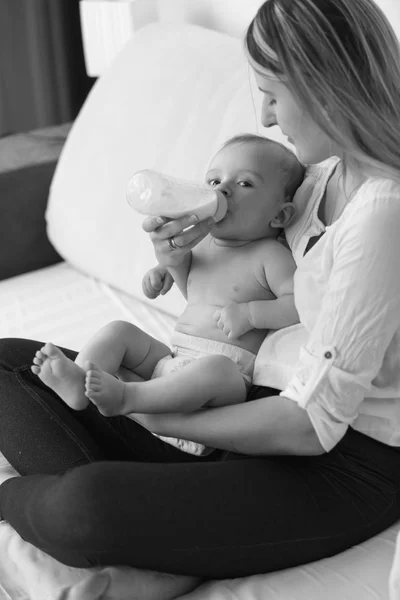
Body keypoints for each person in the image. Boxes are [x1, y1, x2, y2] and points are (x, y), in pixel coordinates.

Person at [0, 0, 399, 582]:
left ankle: (58, 505)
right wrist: (176, 252)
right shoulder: (317, 180)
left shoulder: (381, 215)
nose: (263, 117)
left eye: (271, 93)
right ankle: (176, 544)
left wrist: (147, 411)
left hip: (340, 460)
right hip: (243, 407)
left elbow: (312, 426)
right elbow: (233, 256)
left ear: (324, 87)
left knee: (82, 508)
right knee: (7, 362)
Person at [30, 133, 303, 457]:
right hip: (171, 359)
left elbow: (301, 304)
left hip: (226, 377)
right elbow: (186, 279)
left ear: (280, 215)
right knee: (120, 331)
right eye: (214, 180)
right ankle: (79, 381)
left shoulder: (270, 255)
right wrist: (161, 272)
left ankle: (129, 397)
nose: (223, 189)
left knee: (216, 369)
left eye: (245, 183)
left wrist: (251, 314)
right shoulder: (200, 243)